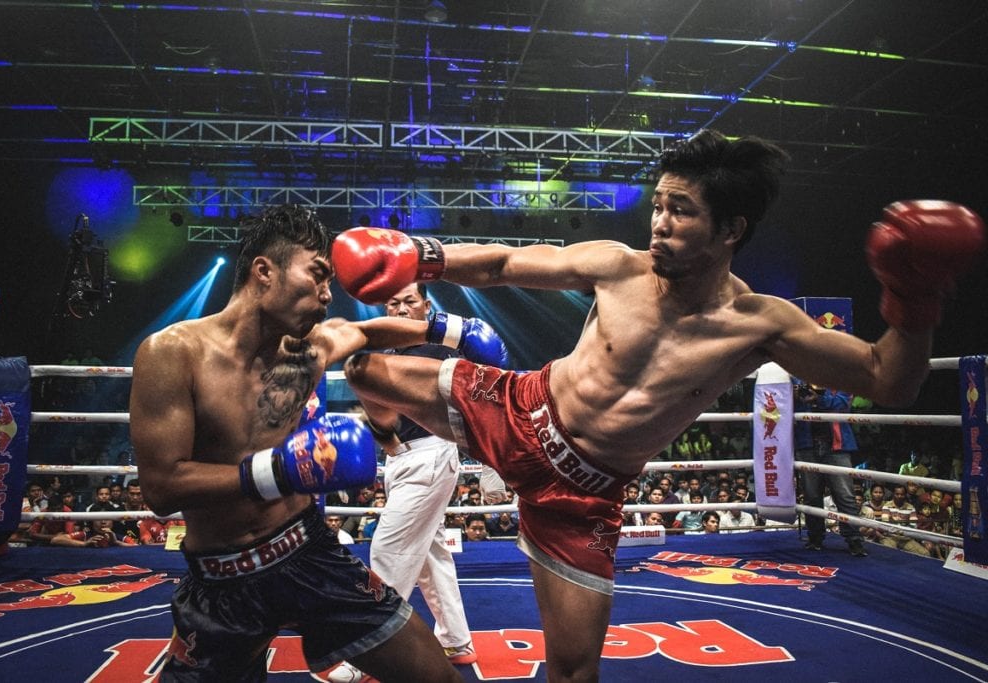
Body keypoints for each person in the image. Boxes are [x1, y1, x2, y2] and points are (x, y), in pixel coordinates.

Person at [333, 129, 985, 682]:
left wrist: (914, 299)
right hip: (515, 408)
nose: (660, 224)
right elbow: (505, 261)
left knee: (574, 669)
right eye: (659, 206)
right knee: (355, 361)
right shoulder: (619, 266)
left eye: (682, 211)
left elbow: (887, 379)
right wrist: (424, 256)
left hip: (582, 496)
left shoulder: (760, 326)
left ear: (732, 229)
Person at [129, 205, 464, 682]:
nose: (328, 296)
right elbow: (161, 488)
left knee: (438, 677)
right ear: (264, 271)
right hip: (222, 578)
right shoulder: (174, 353)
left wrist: (451, 330)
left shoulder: (304, 353)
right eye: (318, 275)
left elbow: (365, 330)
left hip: (310, 552)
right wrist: (281, 470)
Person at [366, 282, 502, 668]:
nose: (402, 308)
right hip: (401, 461)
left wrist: (491, 463)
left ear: (426, 306)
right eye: (394, 302)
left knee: (388, 551)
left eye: (410, 301)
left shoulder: (441, 352)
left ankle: (371, 648)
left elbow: (482, 399)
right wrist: (389, 443)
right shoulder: (387, 353)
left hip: (431, 456)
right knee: (430, 556)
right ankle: (457, 642)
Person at [794, 382, 867, 556]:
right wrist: (794, 396)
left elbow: (843, 404)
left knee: (845, 495)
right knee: (811, 496)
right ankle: (815, 538)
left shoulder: (839, 375)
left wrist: (819, 398)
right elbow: (783, 405)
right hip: (807, 444)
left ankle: (854, 539)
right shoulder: (797, 377)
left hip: (836, 446)